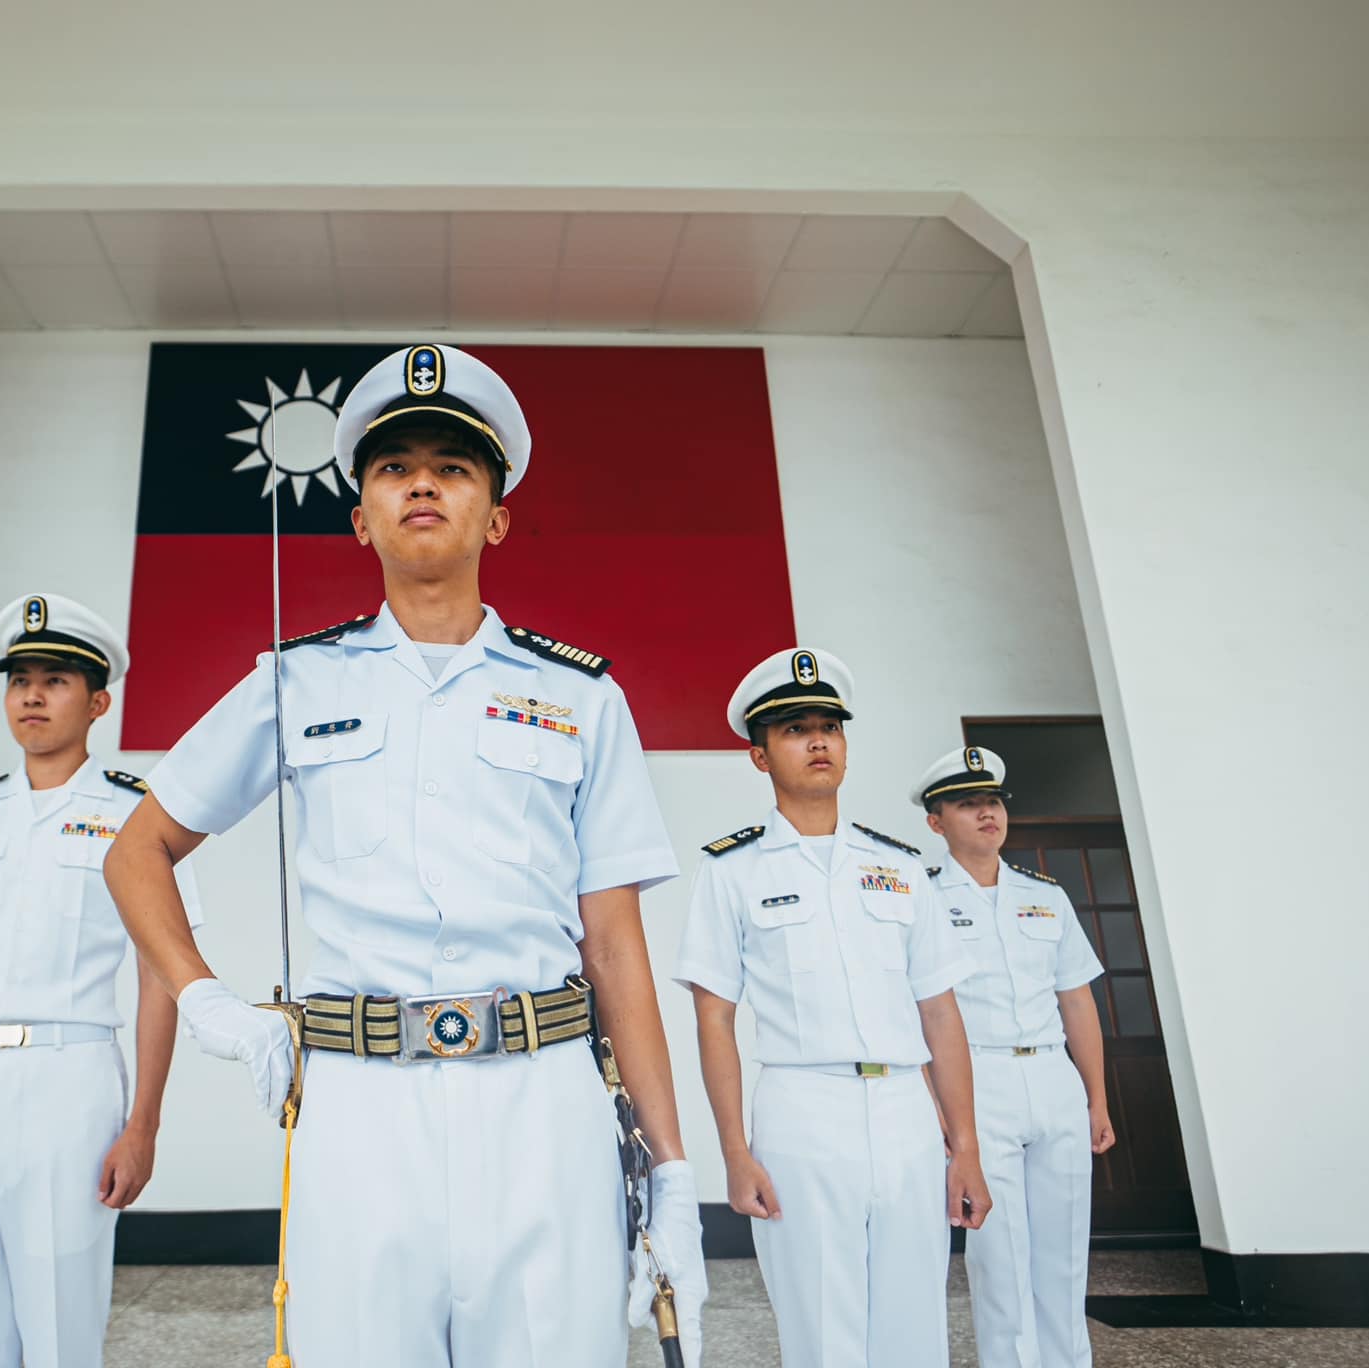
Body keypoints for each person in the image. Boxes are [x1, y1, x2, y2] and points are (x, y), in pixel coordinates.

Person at [104, 343, 707, 1366]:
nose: (421, 484)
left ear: (495, 517)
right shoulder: (297, 681)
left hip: (543, 1100)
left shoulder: (579, 698)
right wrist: (208, 1004)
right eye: (394, 468)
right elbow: (136, 850)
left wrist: (673, 1174)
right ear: (361, 517)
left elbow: (614, 946)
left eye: (452, 467)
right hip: (358, 1104)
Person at [0, 594, 201, 1368]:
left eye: (55, 680)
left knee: (60, 1323)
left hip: (70, 1078)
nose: (31, 695)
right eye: (19, 679)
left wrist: (144, 1124)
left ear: (98, 703)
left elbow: (161, 975)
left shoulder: (137, 818)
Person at [675, 648, 992, 1367]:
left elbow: (941, 1013)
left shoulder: (900, 867)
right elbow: (714, 1018)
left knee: (916, 1330)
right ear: (760, 756)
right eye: (795, 729)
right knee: (824, 1333)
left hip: (906, 1115)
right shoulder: (732, 871)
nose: (818, 741)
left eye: (829, 727)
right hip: (802, 1111)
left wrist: (967, 1148)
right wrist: (734, 1153)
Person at [914, 744, 1113, 1368]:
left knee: (1065, 1251)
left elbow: (1076, 999)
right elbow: (917, 1010)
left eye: (993, 802)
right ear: (936, 822)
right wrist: (937, 1107)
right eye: (967, 804)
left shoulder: (1045, 895)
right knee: (999, 1254)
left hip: (1053, 1075)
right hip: (978, 1077)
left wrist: (1097, 1099)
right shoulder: (921, 898)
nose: (987, 814)